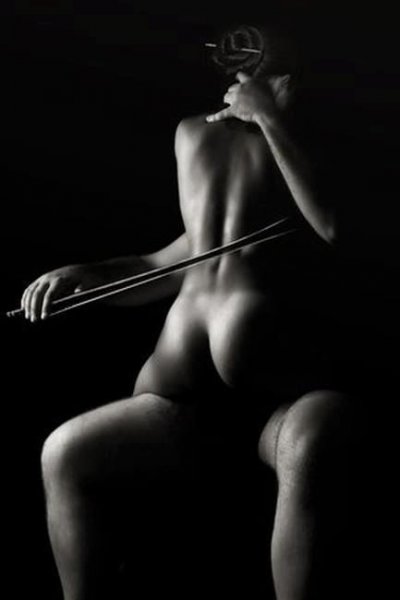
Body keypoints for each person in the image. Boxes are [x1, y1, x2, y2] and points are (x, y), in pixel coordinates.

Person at [21, 22, 368, 600]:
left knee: (319, 430)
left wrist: (271, 119)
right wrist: (89, 274)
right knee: (65, 451)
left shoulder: (324, 141)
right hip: (184, 394)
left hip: (276, 400)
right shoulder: (193, 133)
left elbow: (338, 229)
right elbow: (181, 257)